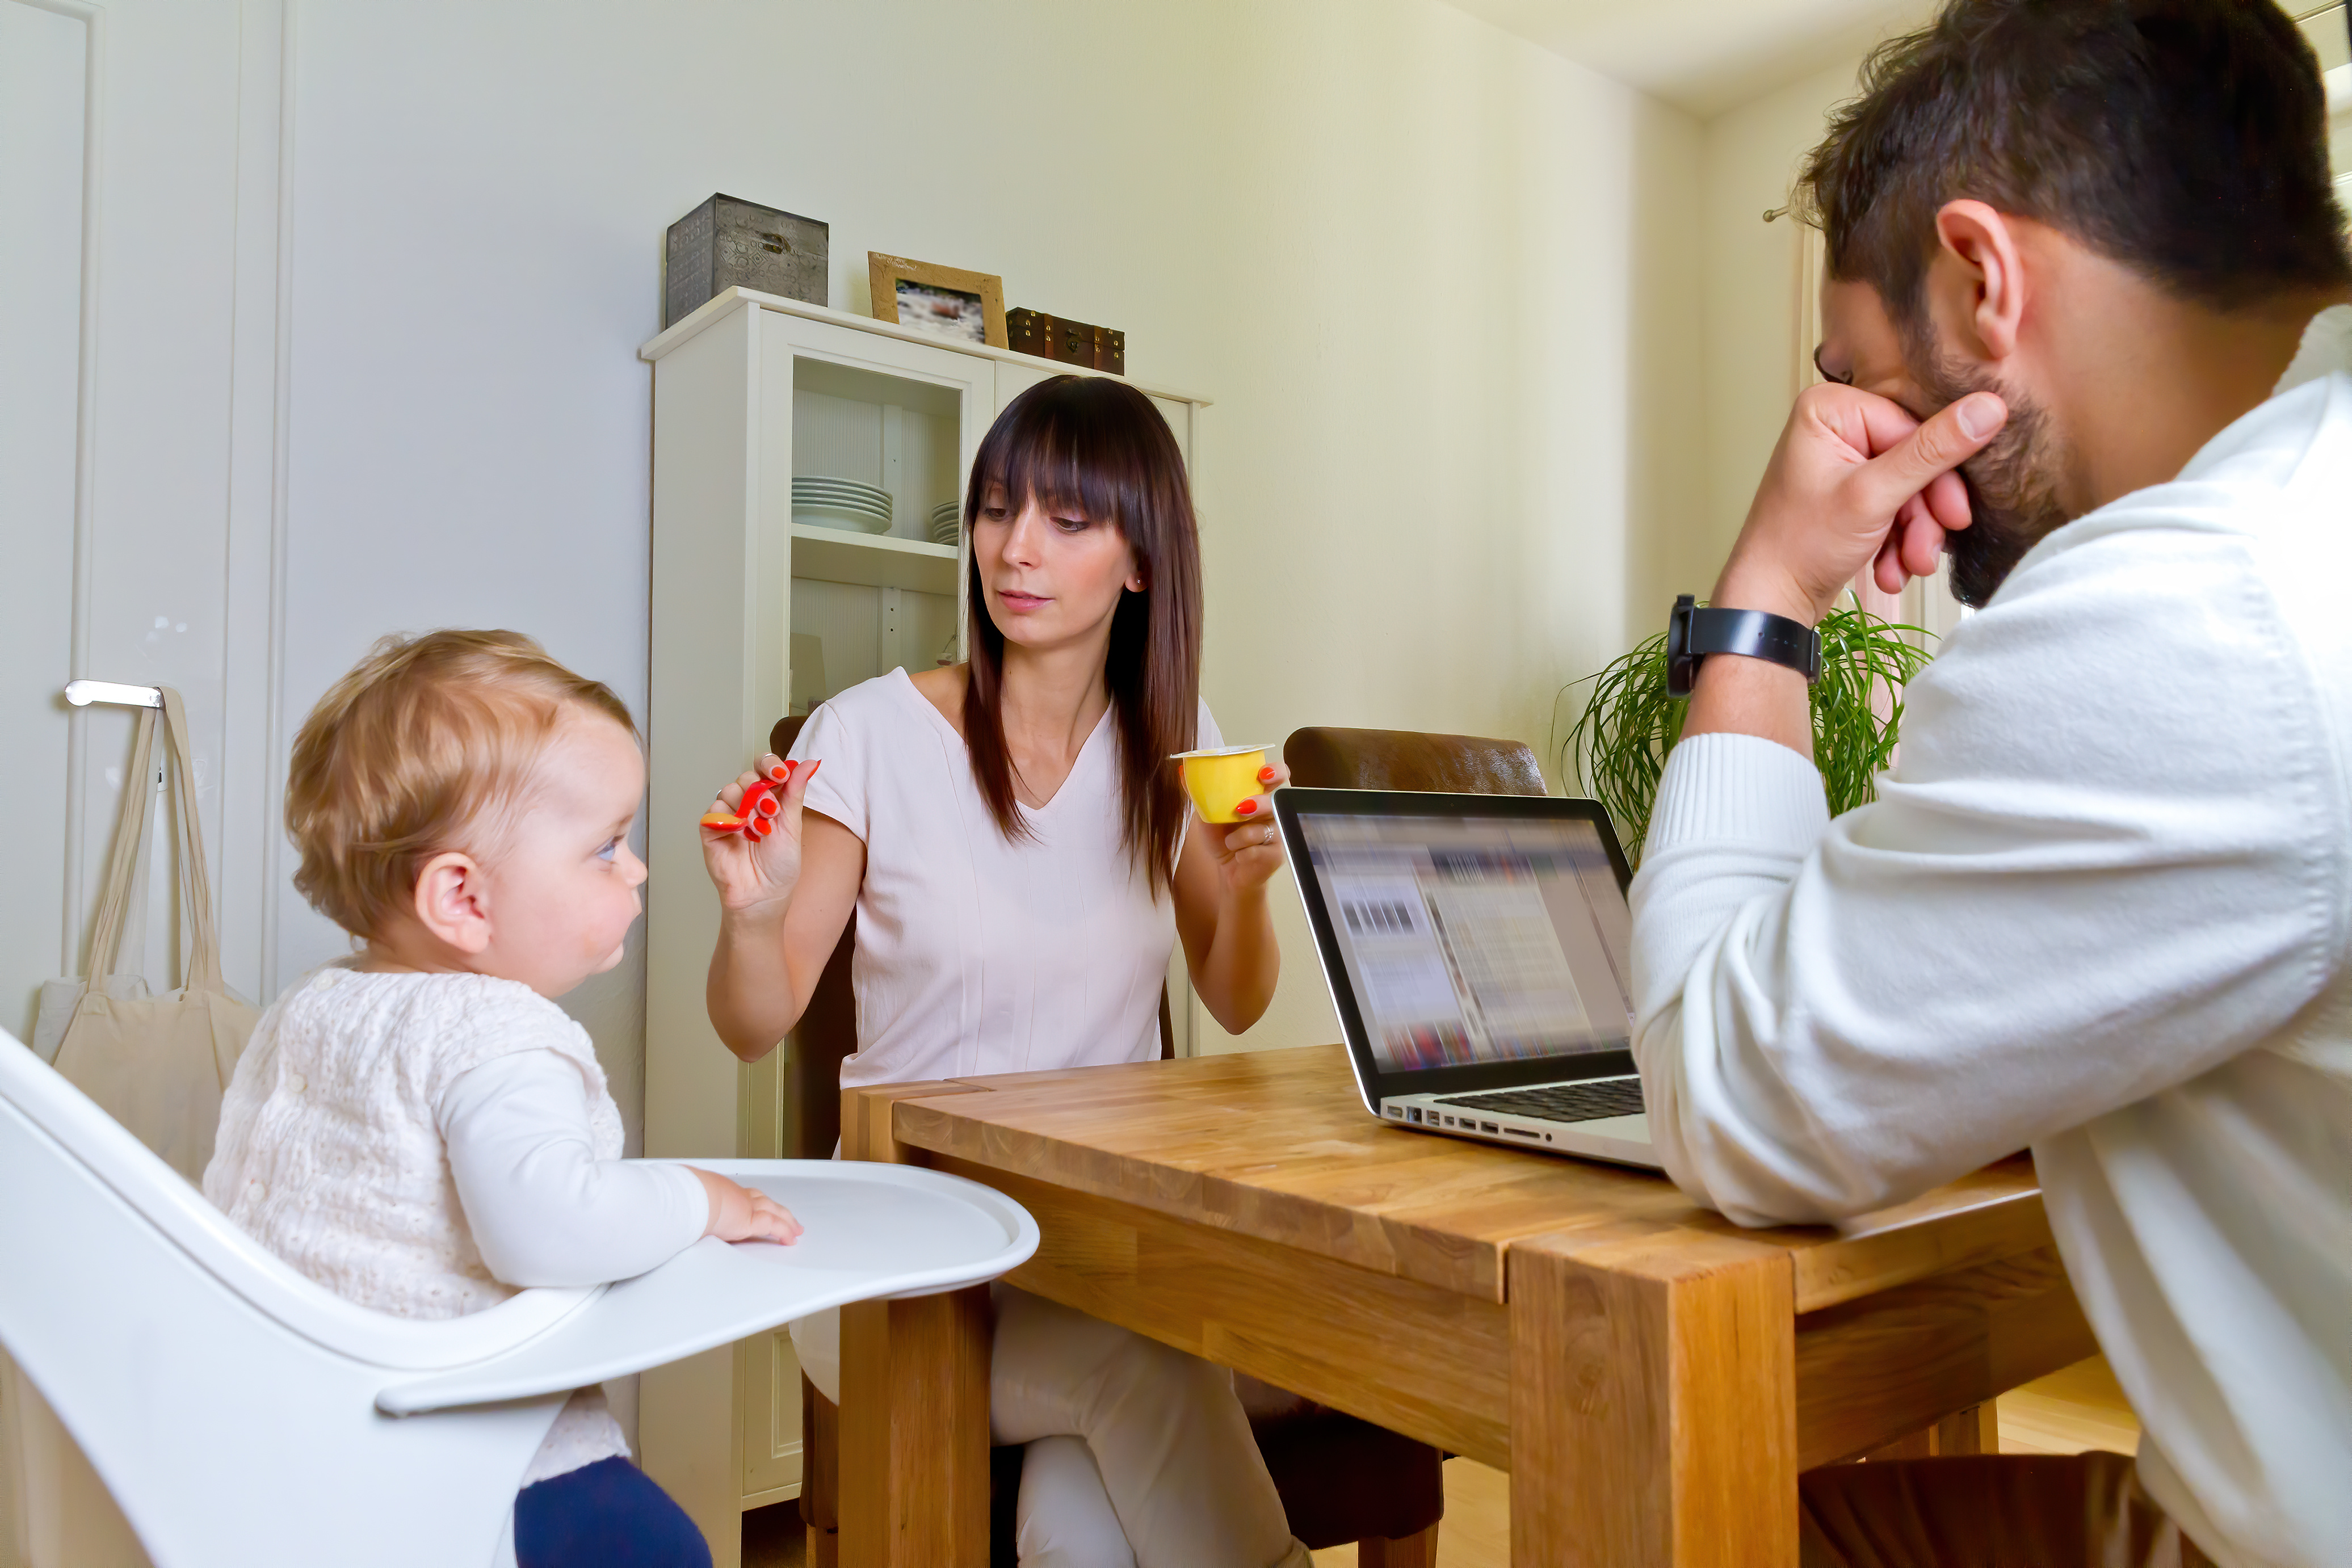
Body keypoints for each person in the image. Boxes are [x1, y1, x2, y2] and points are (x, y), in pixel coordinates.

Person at [1628, 3, 2352, 1566]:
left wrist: (1765, 597)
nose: (1880, 455)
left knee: (1672, 1513)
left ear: (1981, 275)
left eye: (1865, 382)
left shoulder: (2202, 607)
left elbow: (1721, 1089)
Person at [700, 375, 1310, 1568]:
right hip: (894, 1256)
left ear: (1141, 560)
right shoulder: (866, 732)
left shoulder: (1171, 733)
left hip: (1097, 1249)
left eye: (1066, 521)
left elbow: (1235, 995)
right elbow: (749, 1022)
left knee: (1076, 1530)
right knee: (1144, 1362)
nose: (1013, 548)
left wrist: (1242, 887)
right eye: (993, 509)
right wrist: (750, 915)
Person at [206, 630, 801, 1568]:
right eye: (606, 847)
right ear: (464, 901)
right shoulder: (496, 1034)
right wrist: (702, 1199)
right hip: (476, 1457)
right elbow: (550, 1229)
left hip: (291, 1440)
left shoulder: (311, 1008)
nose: (637, 868)